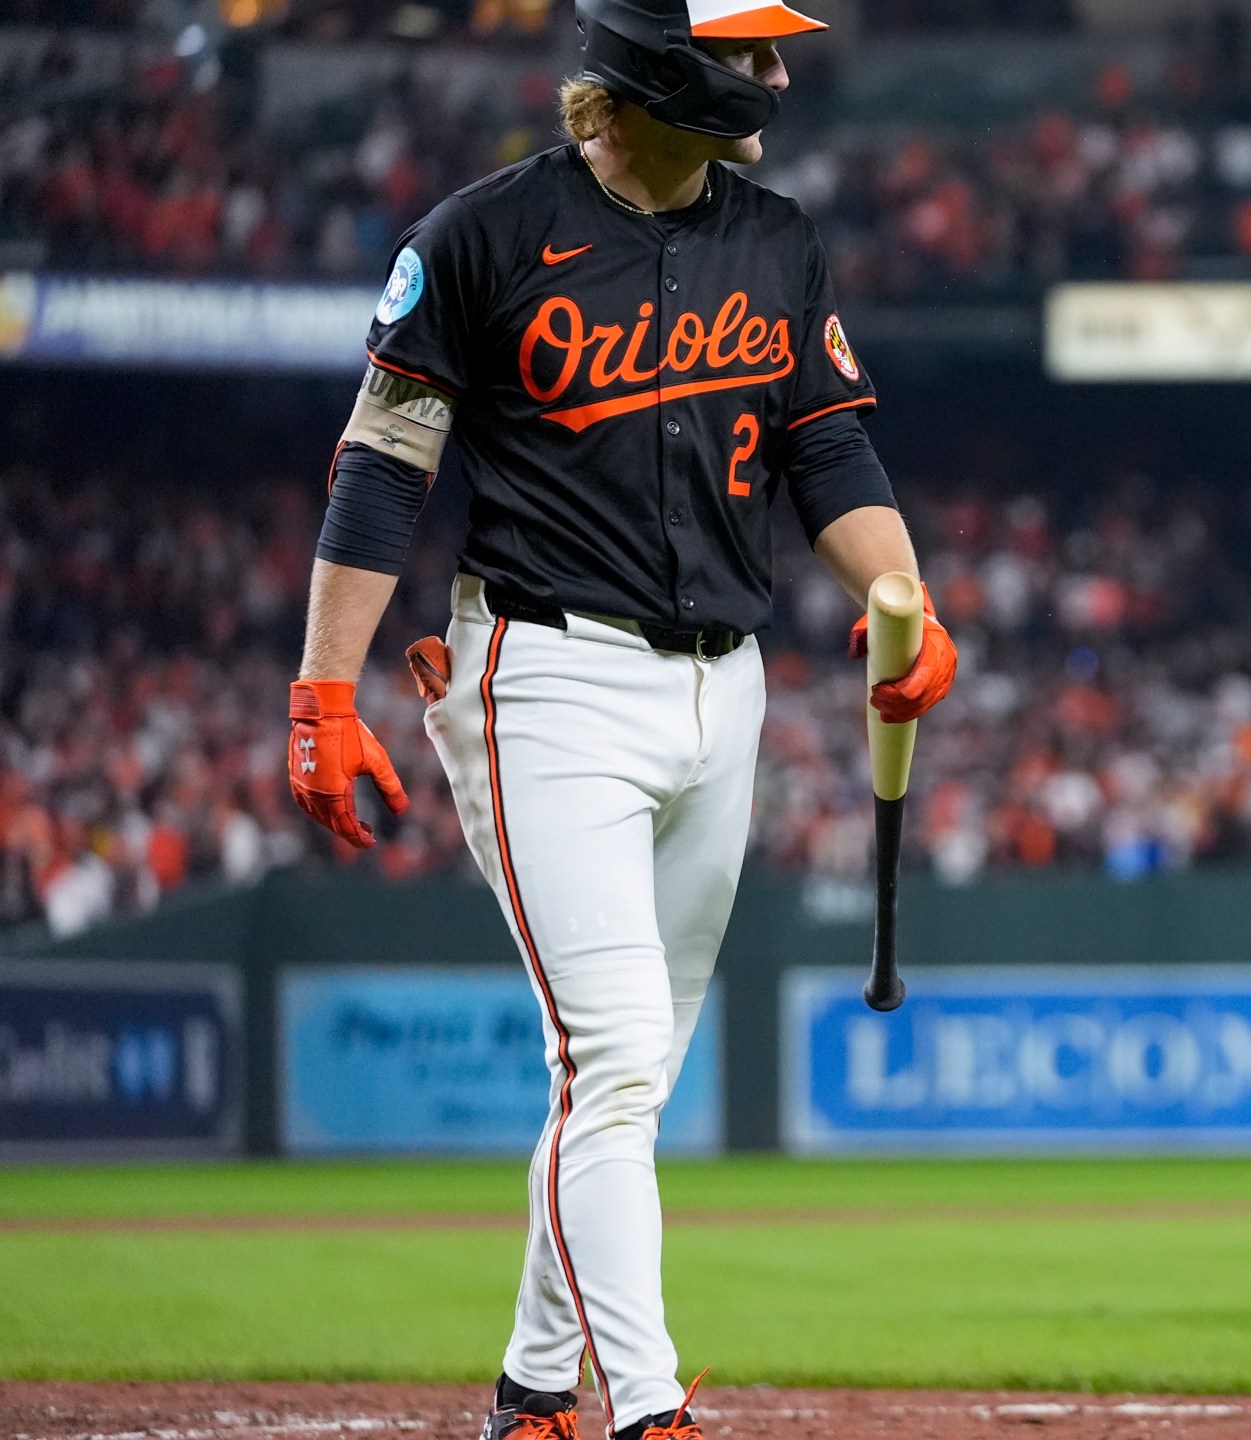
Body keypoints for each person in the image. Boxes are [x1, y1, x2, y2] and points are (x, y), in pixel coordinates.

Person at [282, 0, 957, 1434]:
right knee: (616, 1056)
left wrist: (909, 598)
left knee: (623, 1077)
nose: (775, 74)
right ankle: (647, 1408)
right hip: (546, 675)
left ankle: (532, 1392)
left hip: (732, 683)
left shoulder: (776, 238)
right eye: (746, 50)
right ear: (658, 72)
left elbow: (827, 447)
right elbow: (384, 464)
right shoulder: (478, 238)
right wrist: (321, 686)